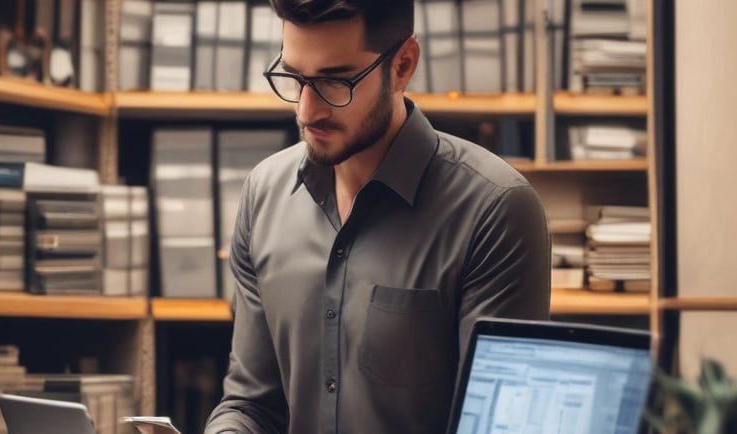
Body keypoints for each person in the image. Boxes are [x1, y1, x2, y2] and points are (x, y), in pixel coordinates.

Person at [205, 0, 550, 432]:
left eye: (335, 82)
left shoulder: (495, 210)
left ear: (403, 65)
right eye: (294, 77)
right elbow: (252, 404)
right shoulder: (263, 195)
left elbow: (502, 426)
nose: (307, 111)